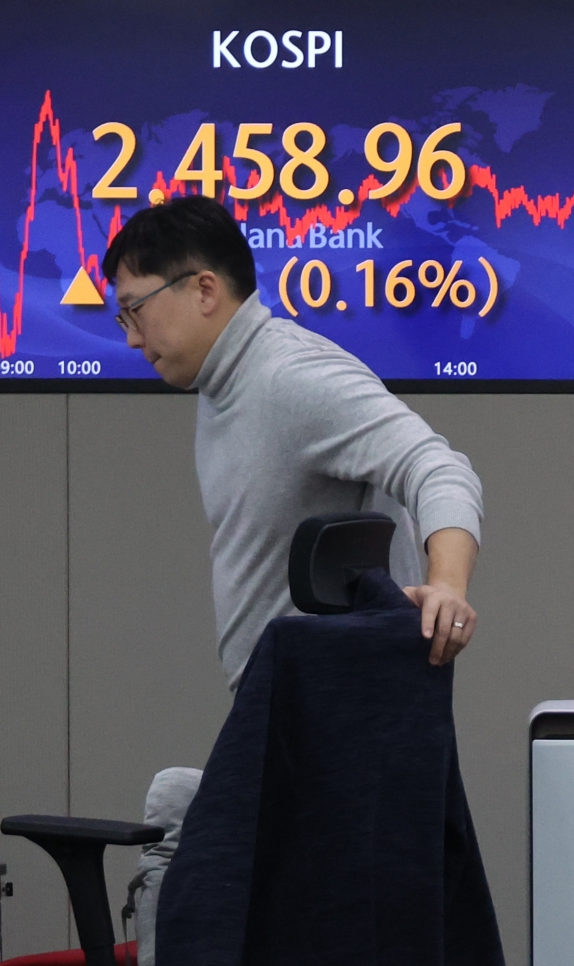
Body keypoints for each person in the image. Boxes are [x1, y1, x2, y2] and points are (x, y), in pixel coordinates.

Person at [101, 195, 482, 693]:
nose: (132, 337)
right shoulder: (222, 381)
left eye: (136, 309)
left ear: (204, 290)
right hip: (289, 712)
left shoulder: (290, 377)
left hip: (347, 714)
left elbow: (438, 468)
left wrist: (447, 588)